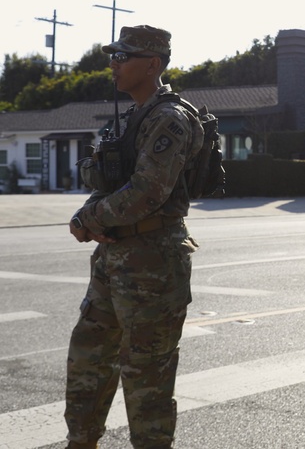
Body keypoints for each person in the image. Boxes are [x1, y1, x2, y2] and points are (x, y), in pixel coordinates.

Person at [65, 25, 204, 449]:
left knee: (147, 382)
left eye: (124, 57)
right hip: (115, 258)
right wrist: (87, 212)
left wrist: (91, 218)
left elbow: (147, 192)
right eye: (114, 56)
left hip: (153, 265)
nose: (114, 64)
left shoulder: (170, 119)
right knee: (87, 360)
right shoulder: (133, 118)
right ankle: (81, 441)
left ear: (153, 64)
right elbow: (113, 181)